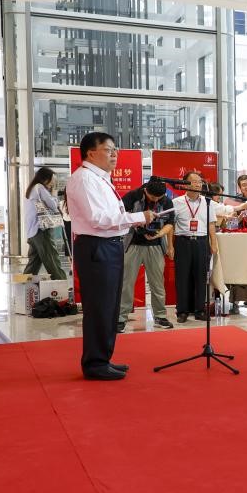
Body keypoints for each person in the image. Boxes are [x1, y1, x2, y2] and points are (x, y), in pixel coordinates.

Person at [65, 132, 153, 381]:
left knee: (109, 305)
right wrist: (138, 217)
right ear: (91, 153)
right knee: (99, 307)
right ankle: (94, 363)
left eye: (116, 150)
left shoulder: (101, 179)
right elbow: (98, 219)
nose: (115, 154)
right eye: (108, 149)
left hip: (110, 245)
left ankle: (103, 358)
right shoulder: (84, 179)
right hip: (97, 246)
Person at [118, 179, 174, 331]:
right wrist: (138, 221)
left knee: (157, 283)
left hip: (155, 246)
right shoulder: (132, 196)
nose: (156, 200)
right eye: (153, 197)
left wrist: (159, 234)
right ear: (146, 190)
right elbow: (120, 217)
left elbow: (170, 223)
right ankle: (121, 317)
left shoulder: (166, 200)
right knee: (127, 283)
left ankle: (160, 316)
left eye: (159, 198)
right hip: (133, 244)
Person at [171, 171, 216, 323]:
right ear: (185, 184)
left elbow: (211, 224)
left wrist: (213, 243)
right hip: (182, 241)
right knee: (182, 277)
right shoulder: (176, 202)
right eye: (194, 181)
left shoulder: (208, 202)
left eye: (200, 181)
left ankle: (199, 310)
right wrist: (170, 246)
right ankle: (182, 311)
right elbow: (171, 226)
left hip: (202, 242)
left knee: (201, 277)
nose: (198, 184)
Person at [23, 167, 68, 280]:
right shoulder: (39, 187)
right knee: (52, 258)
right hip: (41, 230)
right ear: (45, 179)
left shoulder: (32, 188)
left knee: (34, 261)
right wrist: (54, 194)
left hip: (32, 231)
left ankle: (25, 282)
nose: (52, 183)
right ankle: (61, 283)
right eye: (52, 180)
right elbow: (53, 205)